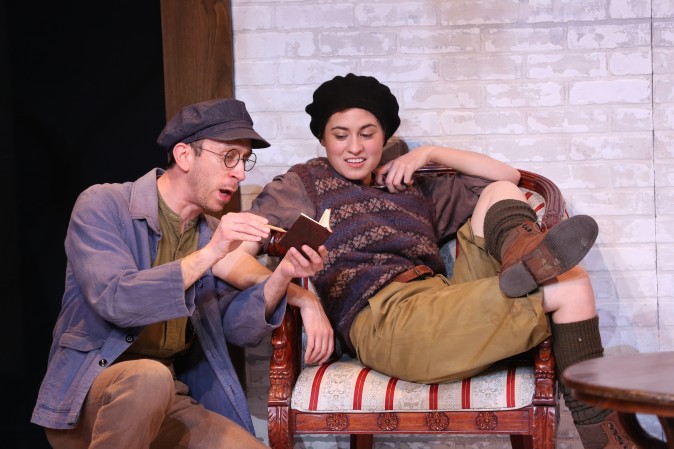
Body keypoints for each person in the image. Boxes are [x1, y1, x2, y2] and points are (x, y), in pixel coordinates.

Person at [220, 74, 639, 449]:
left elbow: (506, 176)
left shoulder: (408, 185)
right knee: (572, 287)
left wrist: (429, 153)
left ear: (384, 136)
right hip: (387, 320)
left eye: (367, 133)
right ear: (323, 139)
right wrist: (304, 299)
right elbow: (229, 261)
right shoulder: (302, 184)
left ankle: (524, 257)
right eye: (340, 135)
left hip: (441, 299)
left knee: (499, 194)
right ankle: (610, 441)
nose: (355, 147)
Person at [31, 98, 329, 449]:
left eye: (244, 159)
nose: (240, 173)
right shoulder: (103, 205)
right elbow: (117, 300)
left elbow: (237, 328)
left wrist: (285, 276)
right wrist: (212, 253)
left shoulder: (208, 232)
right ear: (185, 156)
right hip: (90, 398)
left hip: (168, 401)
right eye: (229, 157)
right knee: (150, 378)